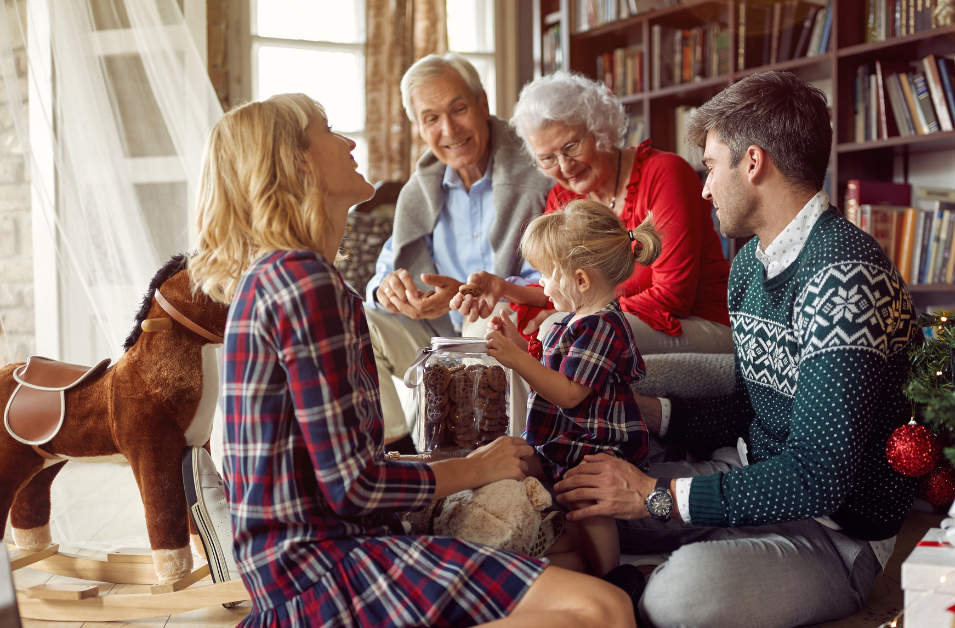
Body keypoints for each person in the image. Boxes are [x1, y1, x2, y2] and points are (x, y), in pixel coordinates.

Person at [188, 93, 633, 628]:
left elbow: (338, 470)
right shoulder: (303, 283)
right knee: (602, 608)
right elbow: (353, 487)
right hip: (321, 572)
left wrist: (448, 466)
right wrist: (474, 468)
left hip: (297, 562)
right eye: (328, 130)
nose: (349, 142)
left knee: (575, 577)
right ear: (296, 162)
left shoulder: (280, 276)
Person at [551, 72, 922, 628]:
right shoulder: (749, 265)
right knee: (580, 508)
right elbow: (751, 407)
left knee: (677, 597)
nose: (703, 188)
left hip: (835, 531)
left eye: (710, 166)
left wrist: (656, 496)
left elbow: (819, 476)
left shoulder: (843, 274)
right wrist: (651, 413)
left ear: (752, 163)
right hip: (749, 471)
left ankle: (675, 565)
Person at [451, 72, 731, 355]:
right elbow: (562, 288)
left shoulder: (665, 174)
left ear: (600, 129)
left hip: (695, 322)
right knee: (490, 322)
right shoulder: (563, 197)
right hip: (616, 316)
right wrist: (503, 288)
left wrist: (570, 317)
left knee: (560, 332)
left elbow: (671, 298)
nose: (564, 165)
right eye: (548, 158)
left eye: (571, 146)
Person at [363, 53, 554, 445]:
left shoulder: (536, 171)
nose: (448, 129)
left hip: (505, 329)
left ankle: (495, 458)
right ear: (419, 127)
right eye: (431, 118)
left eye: (459, 109)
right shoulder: (421, 189)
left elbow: (556, 276)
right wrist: (389, 290)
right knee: (359, 321)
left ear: (483, 104)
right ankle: (399, 454)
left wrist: (469, 296)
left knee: (489, 318)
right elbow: (384, 272)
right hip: (435, 339)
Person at [483, 200, 662, 579]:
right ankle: (554, 546)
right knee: (511, 463)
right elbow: (553, 368)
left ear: (580, 280)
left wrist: (518, 362)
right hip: (565, 437)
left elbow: (568, 393)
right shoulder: (574, 320)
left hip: (594, 444)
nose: (542, 285)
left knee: (588, 499)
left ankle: (612, 576)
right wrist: (519, 346)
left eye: (546, 274)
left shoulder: (603, 325)